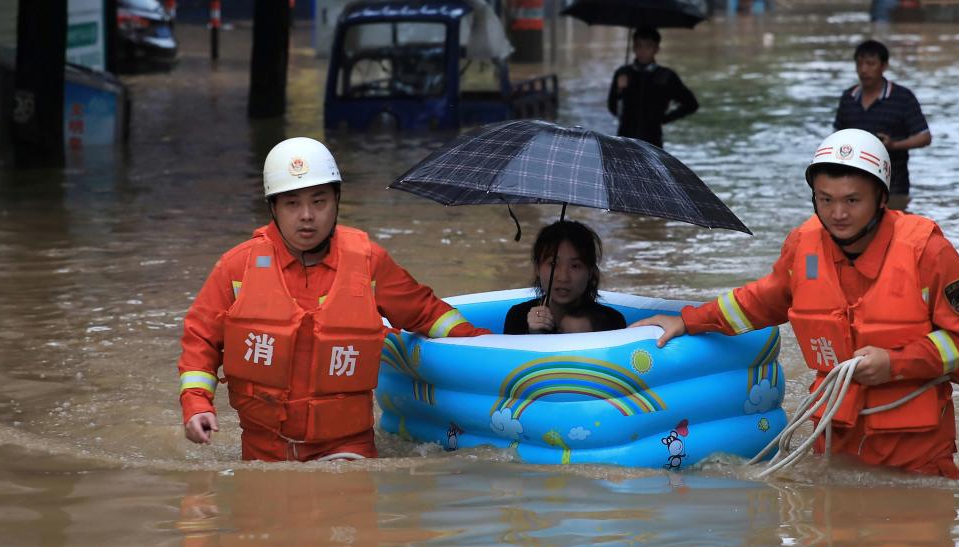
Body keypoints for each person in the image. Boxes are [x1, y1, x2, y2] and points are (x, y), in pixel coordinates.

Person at [631, 129, 959, 479]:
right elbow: (759, 301)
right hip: (836, 437)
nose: (838, 213)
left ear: (882, 198)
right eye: (825, 199)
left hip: (917, 450)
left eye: (852, 200)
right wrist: (688, 321)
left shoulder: (928, 251)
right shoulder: (803, 245)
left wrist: (895, 364)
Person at [177, 136, 490, 462]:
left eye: (319, 201)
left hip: (347, 449)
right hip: (263, 451)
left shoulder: (369, 261)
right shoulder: (236, 267)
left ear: (337, 201)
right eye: (292, 203)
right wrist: (196, 404)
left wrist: (489, 344)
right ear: (273, 208)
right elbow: (200, 340)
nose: (307, 215)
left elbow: (427, 313)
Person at [833, 39, 930, 210]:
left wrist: (894, 145)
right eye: (860, 64)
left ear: (884, 66)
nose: (864, 70)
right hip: (853, 185)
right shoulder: (848, 98)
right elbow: (836, 139)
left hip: (893, 185)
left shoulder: (902, 98)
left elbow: (924, 137)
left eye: (870, 64)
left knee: (894, 232)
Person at [503, 220, 626, 335]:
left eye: (575, 266)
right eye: (553, 264)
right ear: (537, 269)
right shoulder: (518, 317)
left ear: (591, 272)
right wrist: (533, 335)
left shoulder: (611, 323)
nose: (563, 277)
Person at [607, 26, 699, 149]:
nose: (643, 51)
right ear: (634, 48)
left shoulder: (666, 76)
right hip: (625, 140)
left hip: (653, 141)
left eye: (648, 46)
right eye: (639, 46)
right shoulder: (623, 73)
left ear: (656, 49)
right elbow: (613, 108)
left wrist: (663, 119)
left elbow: (691, 104)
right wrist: (619, 90)